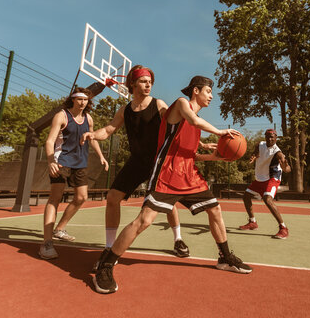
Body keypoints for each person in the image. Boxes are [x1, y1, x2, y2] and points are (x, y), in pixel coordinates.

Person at [92, 75, 252, 294]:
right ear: (195, 91)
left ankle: (225, 257)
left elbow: (191, 155)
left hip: (188, 175)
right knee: (145, 220)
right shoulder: (180, 104)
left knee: (215, 209)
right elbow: (194, 122)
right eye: (208, 91)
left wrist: (215, 157)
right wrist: (221, 131)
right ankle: (106, 265)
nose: (211, 96)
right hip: (167, 172)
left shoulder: (195, 124)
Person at [82, 65, 195, 264]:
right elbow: (109, 129)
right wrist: (94, 134)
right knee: (112, 197)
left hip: (158, 161)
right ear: (132, 84)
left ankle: (178, 239)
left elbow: (177, 126)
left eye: (150, 82)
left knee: (168, 204)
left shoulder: (159, 104)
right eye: (144, 81)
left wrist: (195, 145)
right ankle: (109, 247)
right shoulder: (125, 110)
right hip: (137, 161)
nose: (148, 84)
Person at [39, 87, 109, 259]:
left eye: (85, 100)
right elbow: (49, 141)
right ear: (72, 99)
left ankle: (60, 228)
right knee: (55, 198)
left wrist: (101, 156)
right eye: (79, 99)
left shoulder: (88, 118)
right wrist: (51, 161)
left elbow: (92, 139)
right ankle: (46, 243)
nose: (82, 102)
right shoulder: (62, 116)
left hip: (80, 164)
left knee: (81, 197)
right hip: (61, 162)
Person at [239, 128, 291, 239]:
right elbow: (256, 152)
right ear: (265, 137)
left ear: (276, 138)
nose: (270, 138)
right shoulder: (260, 144)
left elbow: (287, 168)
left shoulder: (278, 152)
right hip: (260, 178)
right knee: (246, 196)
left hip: (272, 178)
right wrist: (253, 156)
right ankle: (252, 222)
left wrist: (285, 167)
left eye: (272, 137)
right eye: (268, 136)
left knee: (267, 199)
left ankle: (283, 228)